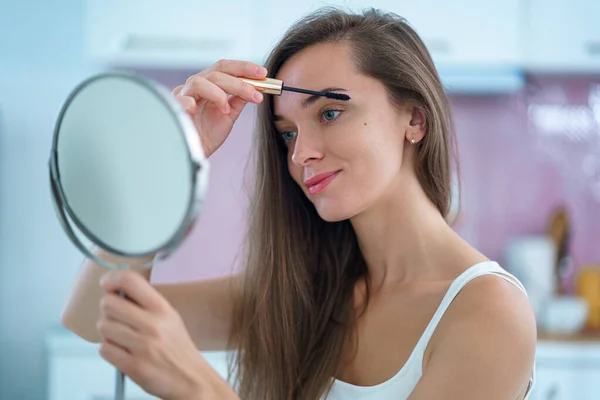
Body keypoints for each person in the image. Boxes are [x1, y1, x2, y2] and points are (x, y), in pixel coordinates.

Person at [61, 7, 537, 400]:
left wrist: (200, 389)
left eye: (330, 113)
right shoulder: (296, 294)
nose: (300, 152)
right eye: (286, 132)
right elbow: (93, 319)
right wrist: (170, 163)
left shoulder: (487, 311)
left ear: (414, 118)